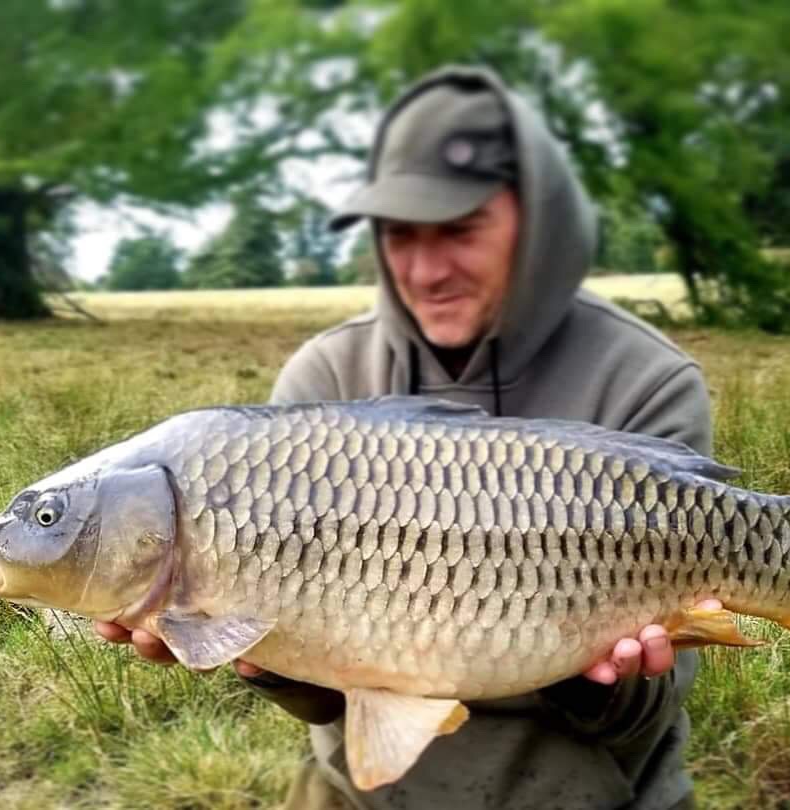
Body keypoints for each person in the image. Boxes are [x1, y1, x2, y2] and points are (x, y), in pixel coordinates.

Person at [96, 65, 714, 809]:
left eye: (458, 230)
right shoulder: (325, 377)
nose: (426, 270)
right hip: (363, 793)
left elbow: (646, 714)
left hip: (594, 793)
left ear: (538, 220)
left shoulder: (644, 381)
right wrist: (263, 657)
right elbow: (320, 697)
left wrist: (592, 673)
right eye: (399, 235)